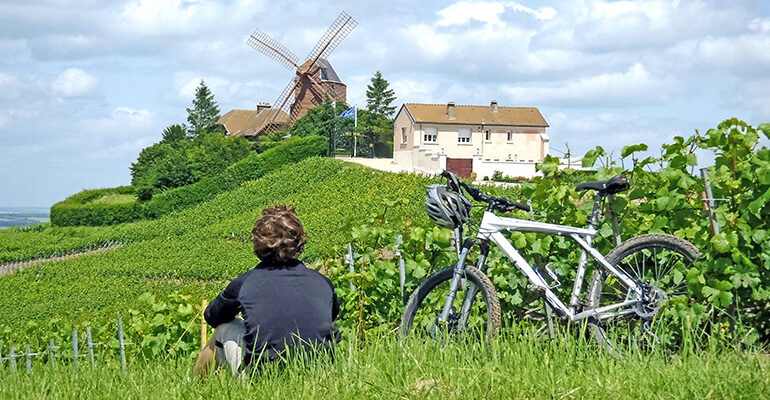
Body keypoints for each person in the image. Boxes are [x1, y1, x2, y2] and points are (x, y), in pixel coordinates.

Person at [193, 205, 340, 377]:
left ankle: (193, 386)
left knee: (224, 328)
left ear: (258, 244)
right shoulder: (323, 282)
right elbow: (332, 315)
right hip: (319, 375)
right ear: (299, 242)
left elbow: (212, 316)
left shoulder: (245, 283)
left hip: (264, 376)